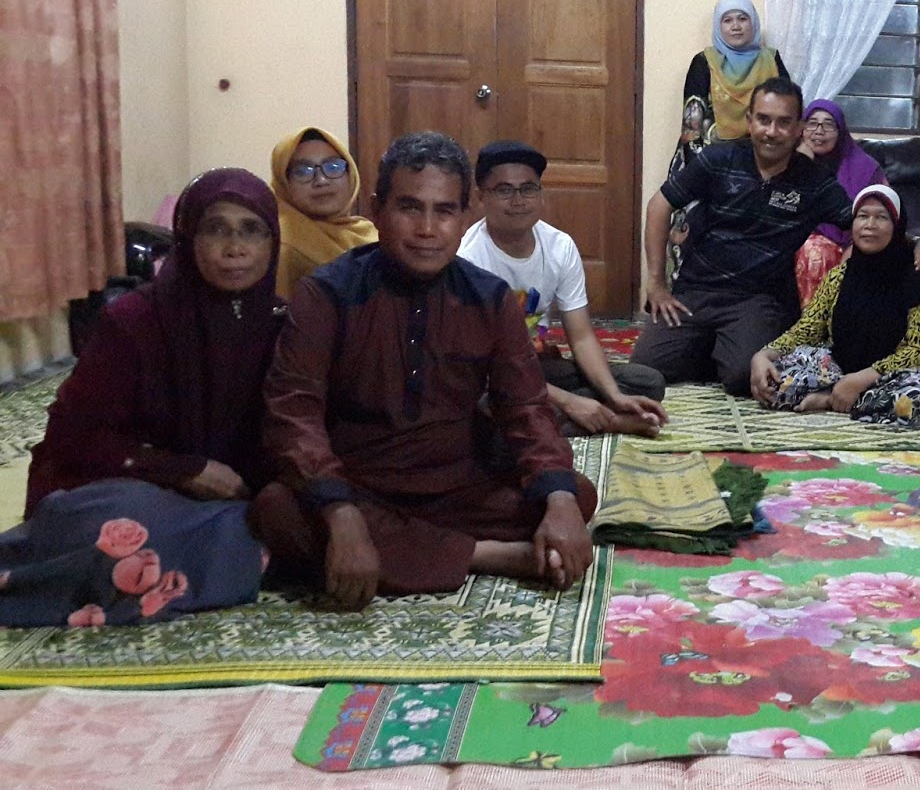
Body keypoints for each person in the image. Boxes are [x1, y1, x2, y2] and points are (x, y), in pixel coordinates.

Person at [251, 131, 595, 613]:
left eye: (444, 211)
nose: (427, 229)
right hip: (358, 484)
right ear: (377, 210)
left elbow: (525, 407)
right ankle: (488, 556)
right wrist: (342, 512)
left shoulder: (489, 298)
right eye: (409, 208)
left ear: (465, 216)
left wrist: (557, 500)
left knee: (575, 494)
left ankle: (412, 553)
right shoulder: (327, 294)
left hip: (456, 484)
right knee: (276, 509)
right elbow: (294, 413)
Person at [6, 168, 281, 627]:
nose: (235, 247)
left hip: (232, 501)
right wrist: (183, 470)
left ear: (273, 242)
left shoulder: (282, 323)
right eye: (216, 229)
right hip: (125, 488)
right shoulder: (134, 322)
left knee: (280, 521)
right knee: (127, 535)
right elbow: (75, 438)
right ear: (187, 238)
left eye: (252, 230)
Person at [633, 76, 920, 395]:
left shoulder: (814, 181)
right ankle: (713, 346)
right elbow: (660, 205)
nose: (772, 131)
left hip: (757, 299)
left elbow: (863, 222)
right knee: (645, 369)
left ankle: (724, 348)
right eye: (764, 120)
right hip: (696, 290)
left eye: (783, 123)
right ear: (750, 121)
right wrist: (656, 283)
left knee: (745, 377)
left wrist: (917, 241)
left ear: (798, 129)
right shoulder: (718, 159)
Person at [458, 140, 668, 437]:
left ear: (541, 195)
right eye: (504, 190)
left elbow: (581, 337)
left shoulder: (559, 246)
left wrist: (614, 395)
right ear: (481, 198)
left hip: (536, 367)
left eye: (528, 189)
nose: (518, 200)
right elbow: (485, 366)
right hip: (489, 375)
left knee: (647, 382)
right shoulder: (467, 259)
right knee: (482, 407)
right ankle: (608, 421)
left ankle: (586, 412)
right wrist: (569, 401)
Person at [751, 186, 920, 427]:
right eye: (862, 216)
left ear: (898, 226)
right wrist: (764, 354)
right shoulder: (839, 276)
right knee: (773, 381)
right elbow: (807, 329)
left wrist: (864, 379)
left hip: (896, 377)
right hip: (840, 369)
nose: (870, 225)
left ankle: (831, 400)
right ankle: (848, 397)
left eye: (882, 217)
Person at [667, 0, 791, 280]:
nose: (736, 26)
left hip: (763, 162)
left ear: (753, 23)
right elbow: (692, 124)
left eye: (742, 18)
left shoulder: (771, 60)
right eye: (727, 20)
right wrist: (706, 174)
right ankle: (687, 297)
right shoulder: (704, 62)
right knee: (693, 226)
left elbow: (787, 112)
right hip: (706, 160)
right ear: (718, 26)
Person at [793, 99, 889, 304]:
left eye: (828, 125)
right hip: (792, 241)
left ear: (840, 132)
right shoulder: (787, 162)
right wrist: (802, 163)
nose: (819, 131)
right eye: (812, 123)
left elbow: (887, 216)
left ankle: (817, 321)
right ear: (802, 129)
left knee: (815, 251)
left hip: (846, 245)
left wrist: (855, 248)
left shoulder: (865, 169)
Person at [269, 126, 378, 299]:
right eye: (303, 172)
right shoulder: (282, 246)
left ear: (350, 173)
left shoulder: (365, 230)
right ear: (284, 182)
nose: (321, 180)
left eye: (333, 167)